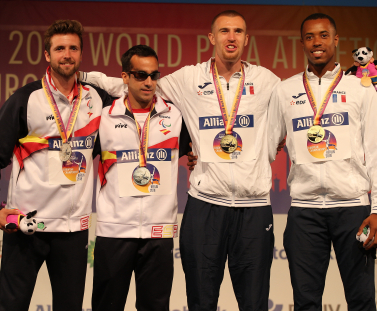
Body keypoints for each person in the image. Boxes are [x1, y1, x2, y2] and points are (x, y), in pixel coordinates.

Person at [81, 10, 280, 311]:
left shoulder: (266, 81)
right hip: (205, 202)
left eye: (238, 31)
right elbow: (135, 86)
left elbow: (296, 111)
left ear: (246, 38)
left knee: (254, 303)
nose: (231, 37)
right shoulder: (189, 78)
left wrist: (267, 150)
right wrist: (82, 77)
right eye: (224, 31)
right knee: (200, 301)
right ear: (212, 37)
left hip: (253, 207)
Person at [0, 20, 112, 311]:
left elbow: (137, 110)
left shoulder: (97, 99)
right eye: (60, 48)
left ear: (81, 54)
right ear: (47, 56)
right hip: (28, 226)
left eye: (73, 48)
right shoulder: (25, 99)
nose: (67, 54)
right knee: (12, 307)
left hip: (73, 230)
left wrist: (188, 148)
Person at [267, 13, 377, 311]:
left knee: (361, 301)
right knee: (306, 302)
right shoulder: (285, 91)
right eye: (309, 37)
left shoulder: (360, 88)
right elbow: (266, 146)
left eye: (323, 35)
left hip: (353, 208)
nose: (316, 43)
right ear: (302, 43)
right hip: (305, 212)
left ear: (336, 40)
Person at [91, 45, 183, 311]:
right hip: (114, 231)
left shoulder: (176, 116)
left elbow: (195, 150)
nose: (149, 82)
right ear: (125, 77)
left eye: (154, 75)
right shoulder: (104, 118)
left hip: (159, 231)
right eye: (140, 75)